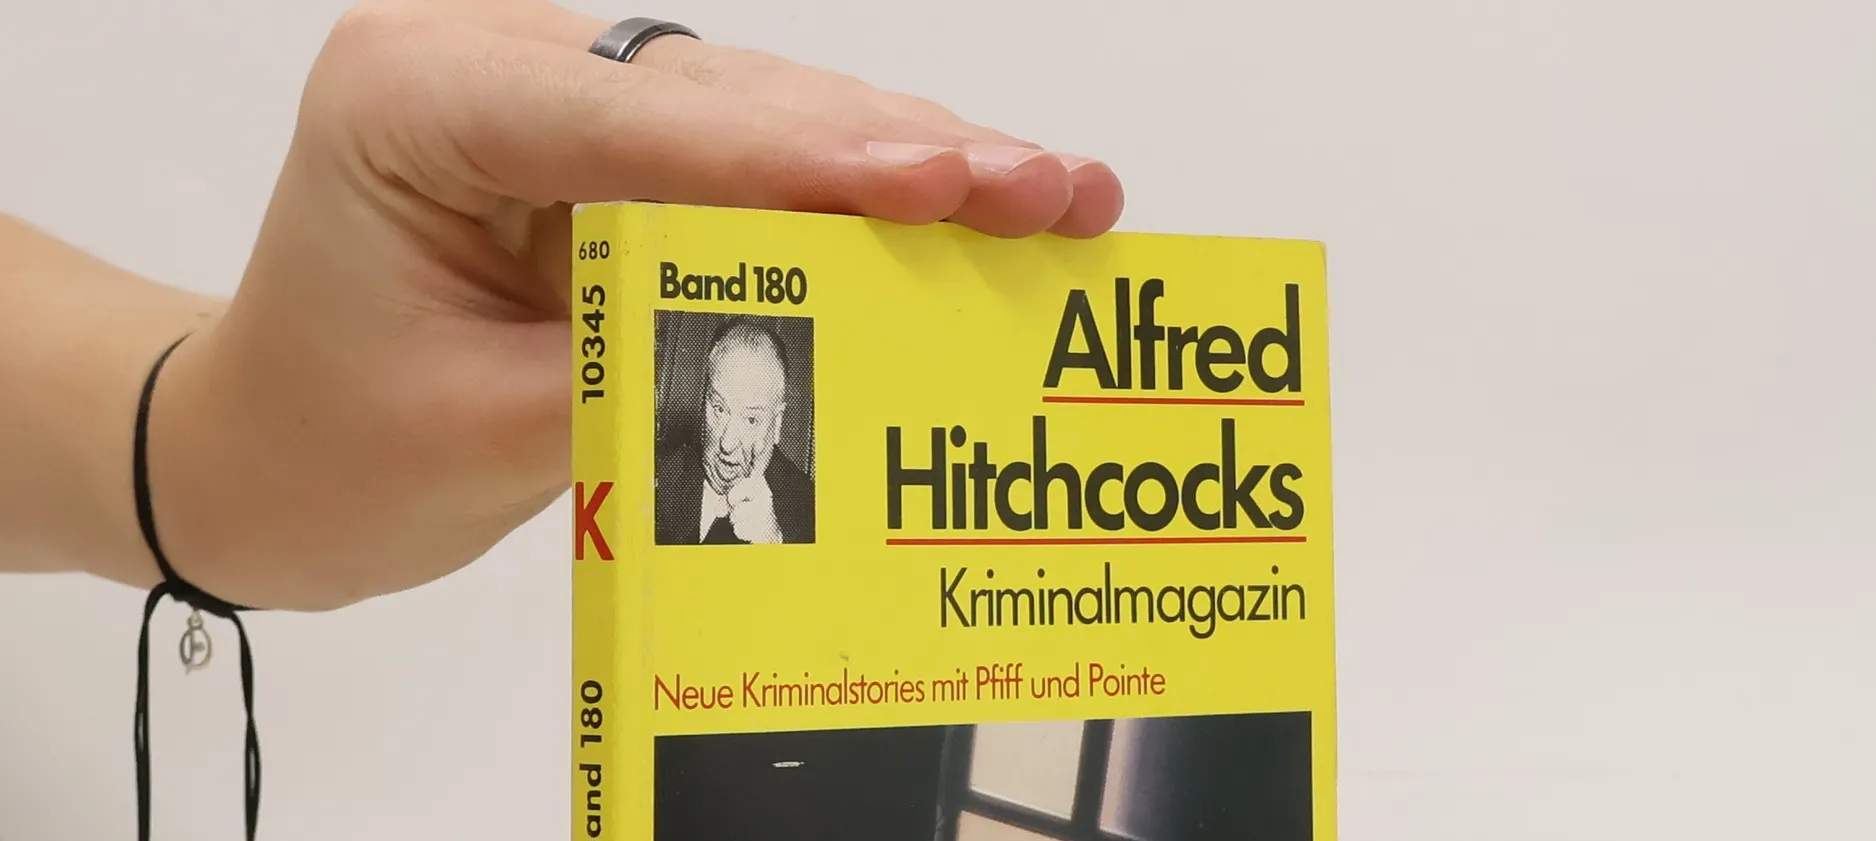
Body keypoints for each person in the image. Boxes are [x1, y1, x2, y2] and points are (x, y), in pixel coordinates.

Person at [0, 1, 1122, 607]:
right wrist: (220, 463)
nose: (733, 441)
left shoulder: (789, 493)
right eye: (723, 412)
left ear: (784, 422)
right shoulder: (682, 482)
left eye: (755, 419)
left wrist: (207, 456)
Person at [656, 320, 814, 545]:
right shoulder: (662, 476)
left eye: (751, 419)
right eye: (719, 409)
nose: (727, 444)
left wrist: (774, 545)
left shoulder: (806, 506)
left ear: (777, 422)